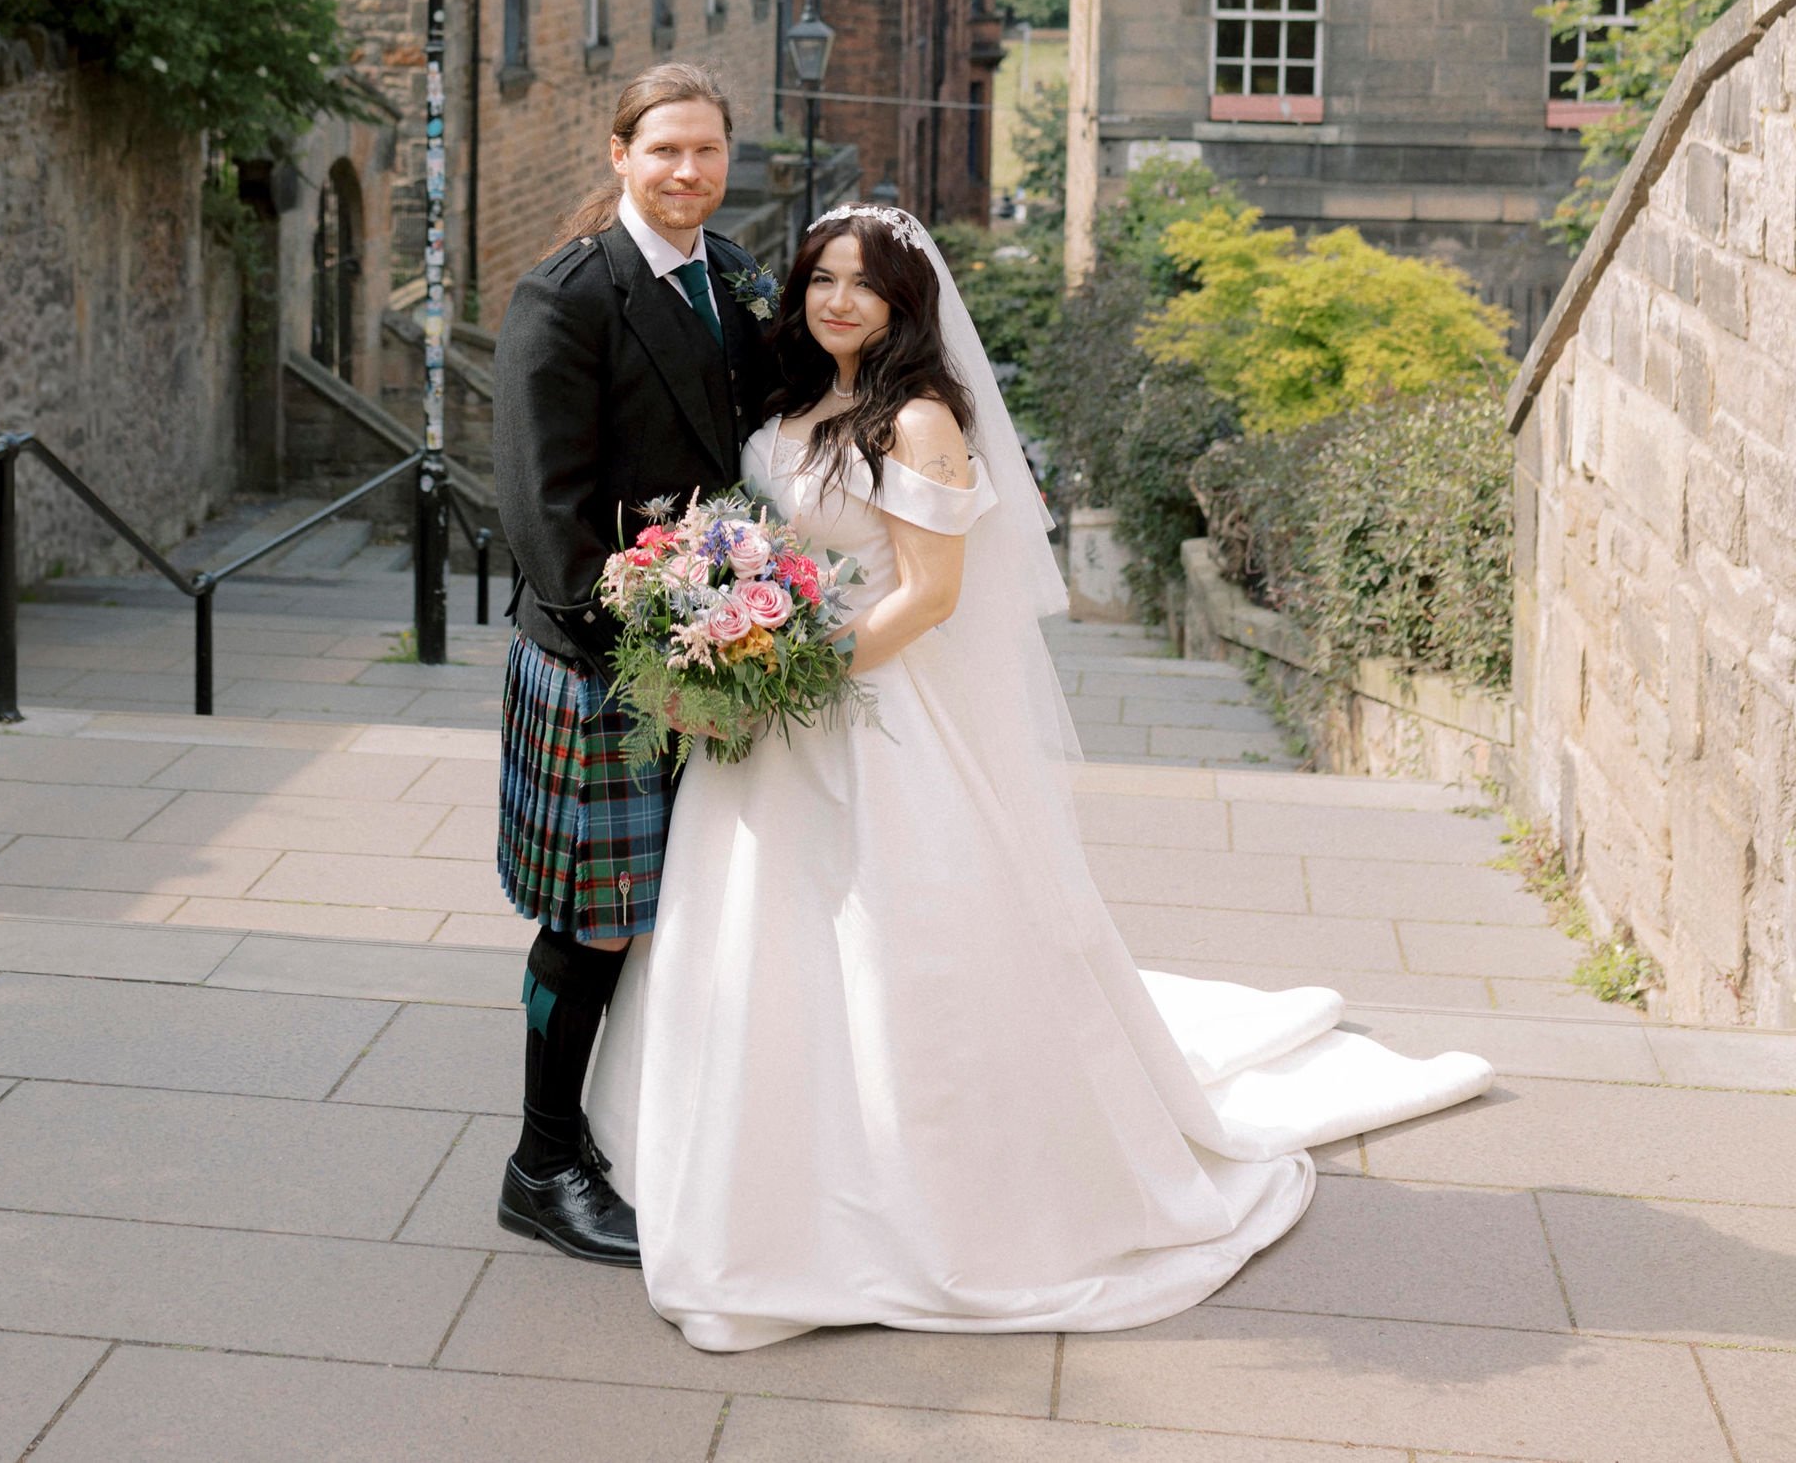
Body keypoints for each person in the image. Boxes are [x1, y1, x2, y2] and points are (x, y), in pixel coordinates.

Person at [588, 202, 1493, 1349]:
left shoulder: (916, 420)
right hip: (770, 706)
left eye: (864, 284)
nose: (837, 301)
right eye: (821, 278)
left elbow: (930, 594)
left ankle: (923, 1195)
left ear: (906, 300)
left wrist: (791, 670)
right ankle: (749, 1162)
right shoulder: (786, 398)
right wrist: (718, 625)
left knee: (893, 938)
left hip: (859, 699)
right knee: (755, 934)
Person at [491, 62, 778, 1265]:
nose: (687, 173)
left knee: (678, 913)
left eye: (706, 151)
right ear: (618, 154)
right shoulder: (566, 296)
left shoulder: (734, 280)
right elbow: (546, 518)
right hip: (604, 661)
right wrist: (661, 662)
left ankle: (604, 1136)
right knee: (592, 921)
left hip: (711, 650)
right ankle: (542, 1164)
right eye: (663, 149)